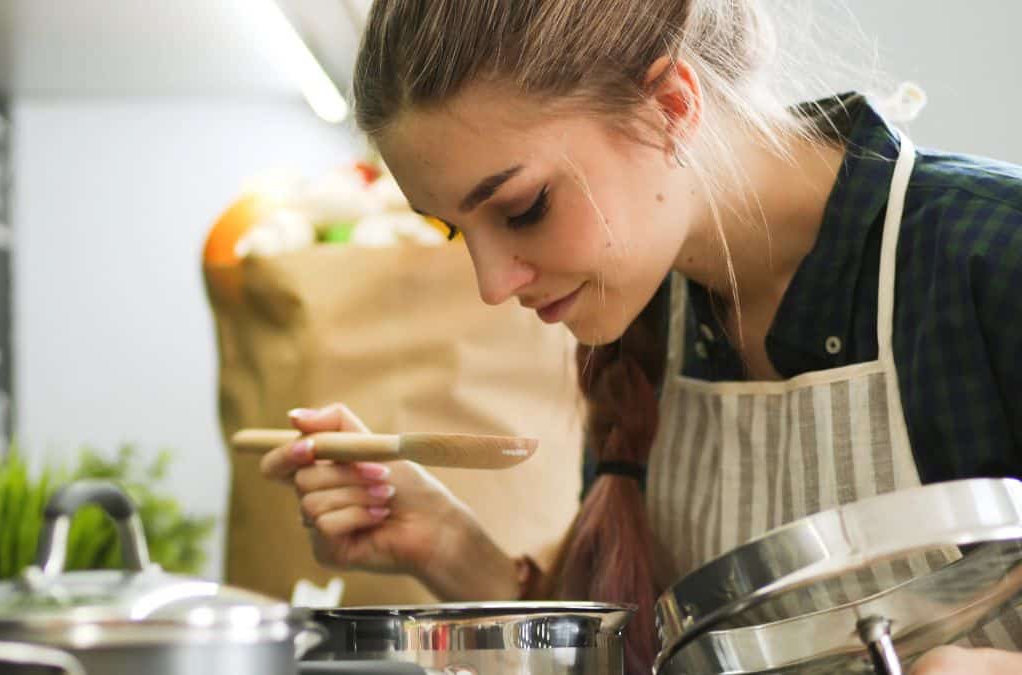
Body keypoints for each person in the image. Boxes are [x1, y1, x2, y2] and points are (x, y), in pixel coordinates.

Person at [258, 1, 1022, 672]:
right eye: (456, 229)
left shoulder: (992, 258)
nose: (493, 285)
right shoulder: (643, 327)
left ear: (671, 105)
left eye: (523, 208)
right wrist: (455, 551)